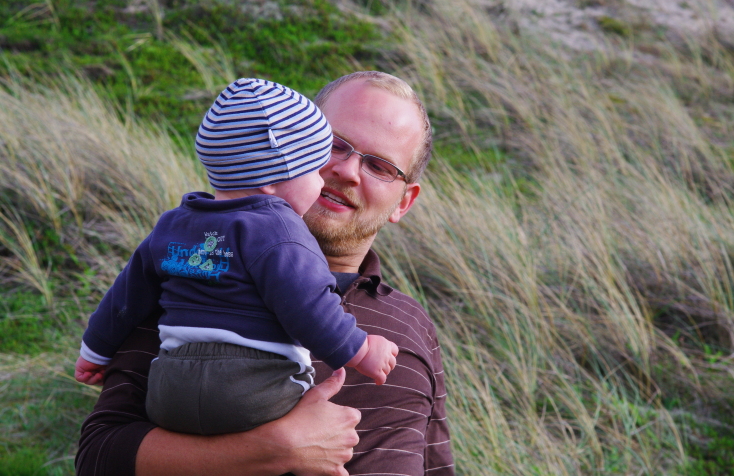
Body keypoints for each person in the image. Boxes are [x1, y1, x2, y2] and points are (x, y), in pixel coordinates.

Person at [75, 71, 455, 476]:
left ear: (404, 202)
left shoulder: (412, 325)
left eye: (379, 166)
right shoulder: (195, 272)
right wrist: (272, 451)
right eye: (333, 144)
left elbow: (437, 467)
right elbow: (99, 457)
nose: (347, 171)